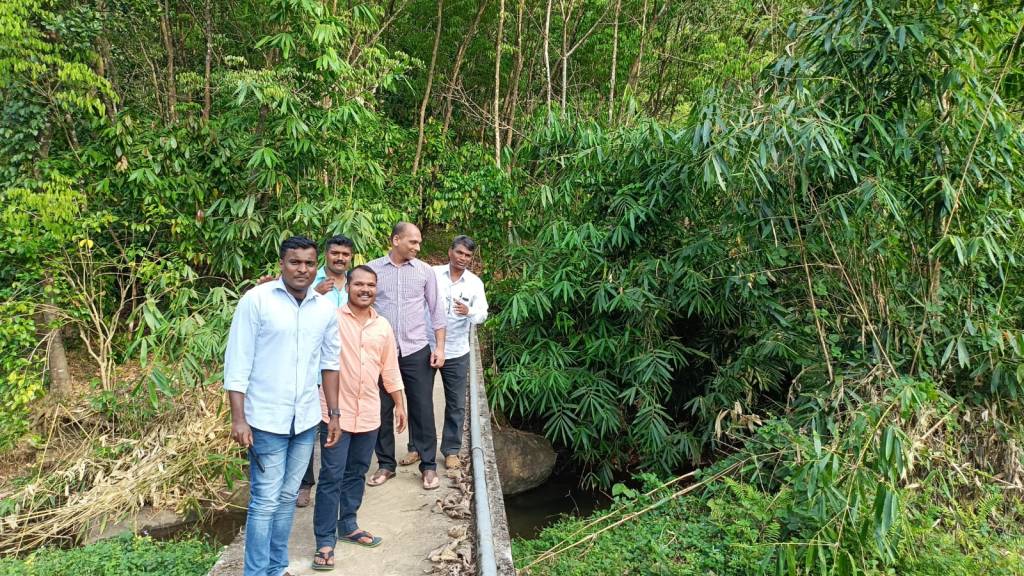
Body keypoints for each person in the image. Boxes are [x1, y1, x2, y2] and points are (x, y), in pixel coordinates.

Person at [224, 236, 343, 576]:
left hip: (305, 420)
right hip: (265, 420)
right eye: (295, 262)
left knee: (289, 496)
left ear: (316, 266)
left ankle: (277, 567)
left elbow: (330, 364)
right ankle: (256, 572)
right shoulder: (257, 301)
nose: (302, 269)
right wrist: (238, 418)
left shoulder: (324, 309)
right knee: (265, 500)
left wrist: (333, 414)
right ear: (281, 264)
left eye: (309, 263)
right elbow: (237, 362)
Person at [311, 265, 408, 570]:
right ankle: (324, 539)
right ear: (348, 287)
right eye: (359, 284)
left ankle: (348, 525)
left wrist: (400, 404)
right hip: (334, 414)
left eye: (370, 285)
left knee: (357, 472)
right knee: (331, 475)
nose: (365, 290)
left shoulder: (383, 326)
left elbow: (389, 368)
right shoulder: (331, 318)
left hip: (368, 412)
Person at [365, 222, 446, 490]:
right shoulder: (373, 270)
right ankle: (386, 465)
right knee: (381, 408)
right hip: (381, 353)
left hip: (416, 350)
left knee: (422, 409)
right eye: (413, 242)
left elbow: (436, 310)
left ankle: (429, 466)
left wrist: (440, 348)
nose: (417, 247)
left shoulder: (425, 271)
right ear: (396, 240)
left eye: (419, 242)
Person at [297, 235, 355, 508]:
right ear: (326, 255)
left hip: (346, 365)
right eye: (335, 253)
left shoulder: (355, 282)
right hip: (314, 366)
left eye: (345, 254)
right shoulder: (310, 280)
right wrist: (315, 293)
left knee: (338, 420)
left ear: (351, 257)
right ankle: (305, 483)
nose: (340, 258)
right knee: (309, 425)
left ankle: (337, 480)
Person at [429, 236, 488, 470]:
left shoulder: (474, 283)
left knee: (456, 404)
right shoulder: (432, 274)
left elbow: (482, 314)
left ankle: (451, 450)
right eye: (460, 253)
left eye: (468, 255)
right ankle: (417, 447)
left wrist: (469, 311)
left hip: (457, 350)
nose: (463, 258)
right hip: (427, 346)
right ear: (450, 252)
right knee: (420, 400)